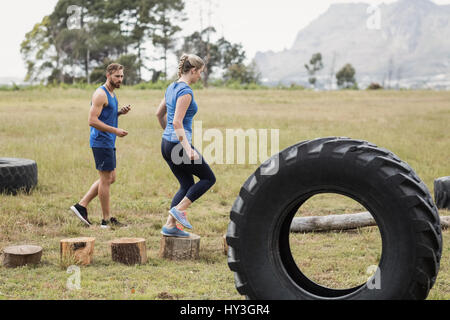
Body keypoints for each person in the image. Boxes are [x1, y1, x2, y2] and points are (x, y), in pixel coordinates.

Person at [156, 54, 216, 238]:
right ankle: (179, 210)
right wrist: (187, 148)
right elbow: (176, 122)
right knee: (208, 178)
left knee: (186, 184)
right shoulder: (185, 92)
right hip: (178, 146)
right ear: (193, 70)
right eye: (200, 73)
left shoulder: (171, 87)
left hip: (167, 144)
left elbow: (159, 114)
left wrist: (169, 137)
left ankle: (169, 226)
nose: (200, 77)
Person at [70, 63, 131, 229]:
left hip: (108, 141)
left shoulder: (112, 93)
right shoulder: (100, 94)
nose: (120, 79)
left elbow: (105, 115)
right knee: (105, 179)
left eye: (122, 76)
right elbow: (92, 120)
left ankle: (81, 205)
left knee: (111, 178)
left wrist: (119, 113)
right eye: (117, 76)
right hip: (101, 142)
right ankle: (105, 220)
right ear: (108, 75)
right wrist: (115, 130)